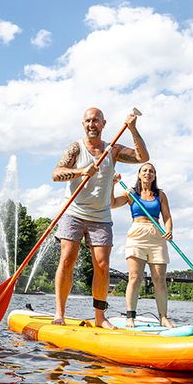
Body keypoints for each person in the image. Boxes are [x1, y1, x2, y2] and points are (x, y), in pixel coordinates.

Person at [52, 107, 149, 328]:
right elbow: (56, 173)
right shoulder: (76, 148)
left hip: (101, 216)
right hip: (74, 212)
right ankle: (60, 313)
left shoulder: (112, 150)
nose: (91, 124)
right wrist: (80, 172)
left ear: (104, 124)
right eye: (87, 121)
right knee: (67, 259)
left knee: (103, 265)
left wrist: (133, 129)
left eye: (96, 120)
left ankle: (99, 317)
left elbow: (143, 157)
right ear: (83, 124)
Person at [111, 165, 175, 328]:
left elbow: (167, 217)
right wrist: (112, 184)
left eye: (151, 171)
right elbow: (112, 203)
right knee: (135, 277)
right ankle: (130, 316)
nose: (148, 173)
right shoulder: (131, 192)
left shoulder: (160, 195)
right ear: (139, 174)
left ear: (154, 176)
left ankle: (163, 317)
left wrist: (169, 230)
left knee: (159, 279)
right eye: (144, 170)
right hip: (137, 235)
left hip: (157, 236)